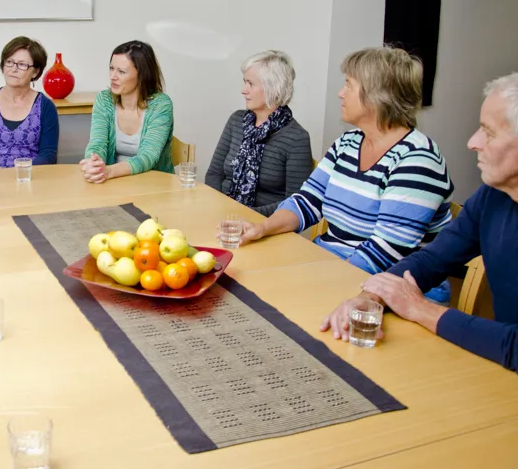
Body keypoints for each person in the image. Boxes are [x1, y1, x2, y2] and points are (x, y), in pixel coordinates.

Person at [321, 73, 518, 372]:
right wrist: (370, 297)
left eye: (488, 133)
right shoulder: (493, 196)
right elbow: (432, 260)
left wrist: (420, 309)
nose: (472, 142)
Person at [236, 46, 454, 298]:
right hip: (334, 267)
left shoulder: (418, 159)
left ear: (377, 96)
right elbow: (308, 201)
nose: (341, 93)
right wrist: (262, 228)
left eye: (349, 85)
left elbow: (385, 251)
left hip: (392, 289)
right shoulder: (348, 142)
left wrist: (315, 281)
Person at [205, 50, 312, 215]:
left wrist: (246, 215)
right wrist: (220, 207)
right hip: (222, 213)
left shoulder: (296, 138)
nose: (243, 90)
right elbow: (214, 173)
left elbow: (295, 203)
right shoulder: (236, 120)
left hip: (263, 223)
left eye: (250, 83)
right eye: (244, 82)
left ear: (274, 88)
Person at [80, 40, 174, 183]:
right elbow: (97, 144)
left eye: (121, 71)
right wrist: (94, 162)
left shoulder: (161, 105)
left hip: (153, 184)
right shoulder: (104, 100)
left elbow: (148, 157)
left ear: (142, 75)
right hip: (113, 183)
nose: (113, 76)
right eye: (111, 68)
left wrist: (109, 171)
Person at [0, 36, 59, 172]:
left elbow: (48, 154)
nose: (14, 69)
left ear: (35, 71)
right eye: (9, 62)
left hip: (29, 178)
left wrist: (20, 173)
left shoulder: (45, 106)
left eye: (22, 64)